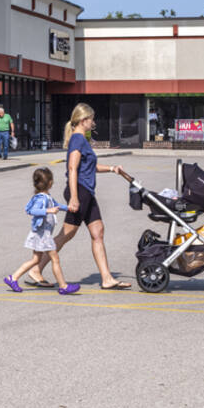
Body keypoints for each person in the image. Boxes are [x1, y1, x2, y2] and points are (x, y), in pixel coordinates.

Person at [54, 102, 130, 290]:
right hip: (79, 191)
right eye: (91, 119)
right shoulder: (78, 140)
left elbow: (90, 167)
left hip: (86, 191)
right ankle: (35, 268)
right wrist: (73, 197)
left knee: (98, 232)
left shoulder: (82, 140)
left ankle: (107, 278)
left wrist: (113, 169)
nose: (93, 122)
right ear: (83, 120)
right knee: (66, 234)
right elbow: (72, 168)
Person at [2, 167, 78, 295]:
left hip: (42, 234)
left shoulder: (46, 197)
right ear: (50, 183)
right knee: (55, 259)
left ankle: (13, 278)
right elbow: (31, 211)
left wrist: (68, 208)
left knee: (36, 260)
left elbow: (57, 205)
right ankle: (63, 286)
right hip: (43, 235)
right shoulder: (41, 198)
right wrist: (48, 211)